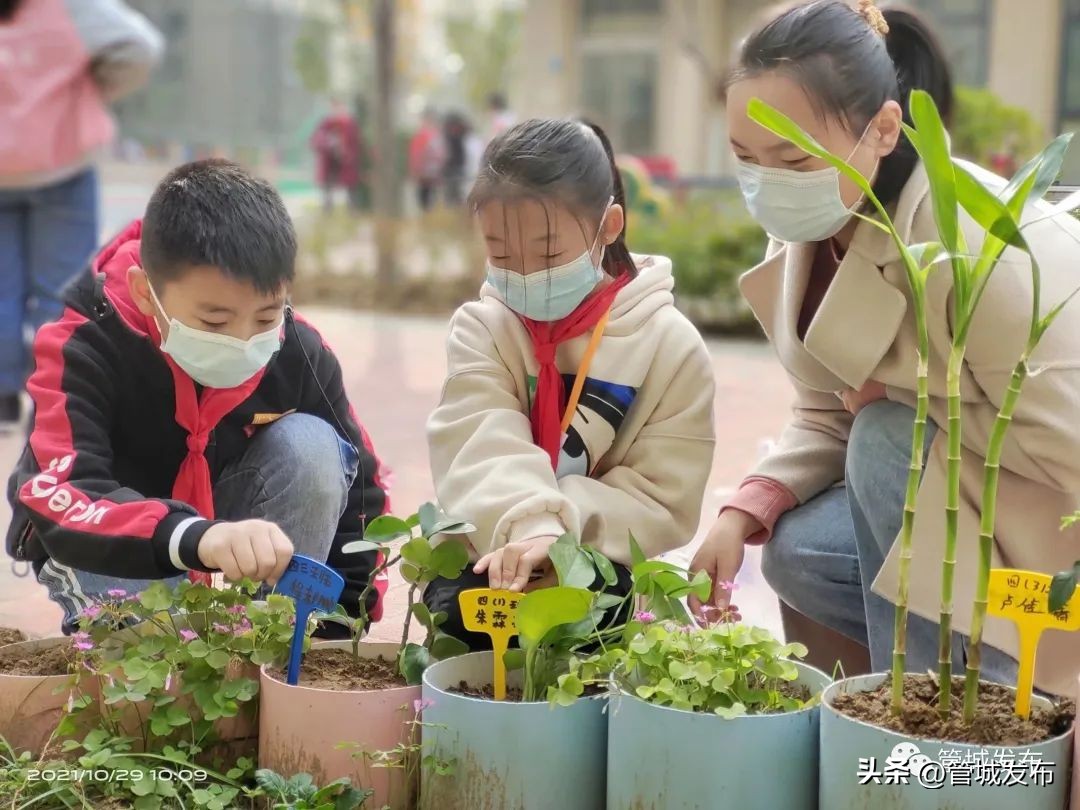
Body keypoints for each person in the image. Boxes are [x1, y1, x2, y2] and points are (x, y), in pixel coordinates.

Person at [690, 0, 1080, 698]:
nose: (767, 182)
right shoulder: (820, 220)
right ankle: (894, 689)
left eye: (790, 157)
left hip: (1048, 538)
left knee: (884, 438)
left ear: (883, 130)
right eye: (746, 158)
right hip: (962, 513)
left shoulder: (983, 244)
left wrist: (902, 398)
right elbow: (825, 411)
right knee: (798, 549)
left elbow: (1070, 450)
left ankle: (953, 709)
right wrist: (740, 511)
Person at [5, 160, 390, 634]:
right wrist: (193, 537)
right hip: (103, 536)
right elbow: (65, 489)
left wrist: (342, 620)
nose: (244, 339)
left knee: (314, 445)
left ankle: (284, 636)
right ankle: (158, 635)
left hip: (221, 520)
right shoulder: (84, 342)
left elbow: (365, 489)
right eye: (214, 322)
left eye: (267, 316)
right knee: (160, 668)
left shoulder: (297, 351)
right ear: (146, 294)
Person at [425, 119, 716, 648]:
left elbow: (663, 497)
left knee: (600, 629)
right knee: (459, 614)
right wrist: (528, 526)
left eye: (549, 254)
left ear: (609, 225)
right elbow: (478, 439)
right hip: (499, 547)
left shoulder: (669, 345)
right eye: (502, 254)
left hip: (604, 558)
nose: (525, 275)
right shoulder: (483, 327)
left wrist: (562, 534)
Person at [0, 0, 163, 431]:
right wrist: (92, 83)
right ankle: (52, 398)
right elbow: (139, 46)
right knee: (63, 289)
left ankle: (1, 397)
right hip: (62, 161)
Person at [310, 100, 365, 213]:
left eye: (339, 108)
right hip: (329, 163)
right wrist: (328, 144)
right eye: (335, 108)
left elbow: (356, 144)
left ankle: (352, 212)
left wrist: (349, 155)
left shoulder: (350, 125)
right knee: (327, 193)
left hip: (346, 163)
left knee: (351, 191)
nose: (337, 111)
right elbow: (316, 141)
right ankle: (328, 212)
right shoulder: (326, 125)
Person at [408, 108, 445, 213]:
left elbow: (417, 155)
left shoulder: (422, 136)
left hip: (426, 175)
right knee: (431, 201)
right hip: (433, 174)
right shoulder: (437, 135)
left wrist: (415, 170)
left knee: (425, 202)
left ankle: (428, 218)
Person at [441, 112, 471, 208]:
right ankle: (454, 210)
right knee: (453, 192)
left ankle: (456, 210)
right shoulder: (454, 136)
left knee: (455, 192)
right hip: (453, 167)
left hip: (455, 167)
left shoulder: (454, 136)